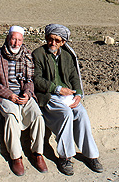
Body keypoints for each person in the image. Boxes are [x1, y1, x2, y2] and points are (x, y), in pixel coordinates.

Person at [32, 24, 103, 176]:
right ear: (46, 38)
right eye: (50, 39)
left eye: (57, 41)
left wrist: (78, 94)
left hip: (67, 95)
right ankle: (65, 157)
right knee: (66, 114)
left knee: (82, 113)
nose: (53, 43)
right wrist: (56, 89)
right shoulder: (38, 54)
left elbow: (74, 76)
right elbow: (36, 79)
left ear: (63, 42)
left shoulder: (67, 55)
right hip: (49, 96)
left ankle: (91, 155)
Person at [0, 25, 48, 176]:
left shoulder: (26, 55)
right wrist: (9, 95)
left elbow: (30, 79)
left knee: (37, 116)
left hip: (22, 95)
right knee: (12, 116)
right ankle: (16, 157)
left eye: (19, 40)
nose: (16, 43)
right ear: (8, 38)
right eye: (13, 39)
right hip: (4, 95)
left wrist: (27, 93)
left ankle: (37, 154)